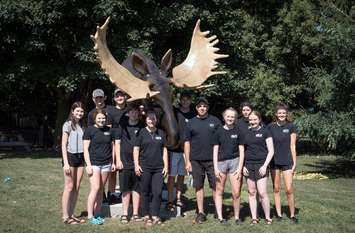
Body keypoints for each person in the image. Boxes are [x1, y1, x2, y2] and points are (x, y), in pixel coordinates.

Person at [184, 97, 221, 224]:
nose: (202, 108)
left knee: (216, 186)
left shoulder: (215, 121)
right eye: (200, 106)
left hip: (212, 160)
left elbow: (221, 140)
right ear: (196, 108)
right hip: (196, 160)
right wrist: (188, 161)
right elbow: (187, 143)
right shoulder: (191, 122)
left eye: (204, 106)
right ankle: (201, 212)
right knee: (198, 186)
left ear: (207, 107)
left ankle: (218, 210)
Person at [133, 110, 168, 226]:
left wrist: (166, 166)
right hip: (145, 167)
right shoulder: (141, 133)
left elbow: (164, 150)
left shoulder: (161, 133)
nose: (151, 121)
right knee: (145, 192)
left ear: (156, 120)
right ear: (146, 120)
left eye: (153, 118)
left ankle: (155, 215)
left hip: (158, 168)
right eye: (149, 118)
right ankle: (146, 215)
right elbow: (136, 149)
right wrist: (136, 165)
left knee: (157, 192)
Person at [240, 111, 274, 225]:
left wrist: (265, 165)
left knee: (263, 192)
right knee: (251, 192)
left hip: (261, 166)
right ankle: (254, 218)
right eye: (250, 120)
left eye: (255, 119)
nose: (252, 121)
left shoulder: (266, 131)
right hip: (249, 165)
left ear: (259, 119)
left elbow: (271, 151)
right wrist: (243, 165)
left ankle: (268, 217)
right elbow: (243, 151)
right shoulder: (246, 133)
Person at [83, 109, 116, 225]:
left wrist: (112, 162)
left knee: (101, 190)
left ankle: (97, 214)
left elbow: (112, 148)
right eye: (99, 118)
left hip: (106, 164)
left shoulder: (109, 130)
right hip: (94, 164)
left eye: (103, 118)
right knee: (96, 188)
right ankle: (90, 216)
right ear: (94, 119)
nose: (101, 120)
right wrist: (88, 165)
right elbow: (85, 149)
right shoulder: (89, 130)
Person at [212, 107, 244, 224]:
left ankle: (237, 217)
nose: (230, 118)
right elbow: (215, 150)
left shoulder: (238, 131)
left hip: (235, 162)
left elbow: (241, 151)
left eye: (232, 116)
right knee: (220, 191)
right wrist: (216, 168)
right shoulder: (218, 131)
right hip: (221, 163)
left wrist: (240, 168)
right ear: (224, 117)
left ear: (235, 118)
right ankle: (221, 217)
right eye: (228, 116)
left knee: (236, 192)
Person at [268, 103, 298, 223]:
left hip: (287, 161)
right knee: (276, 188)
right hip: (274, 162)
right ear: (276, 114)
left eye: (284, 113)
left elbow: (293, 145)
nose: (281, 115)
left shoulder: (291, 126)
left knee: (289, 189)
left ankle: (292, 215)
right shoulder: (270, 127)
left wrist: (294, 162)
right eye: (279, 113)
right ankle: (279, 214)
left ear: (286, 114)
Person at [166, 91, 195, 211]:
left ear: (190, 101)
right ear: (180, 100)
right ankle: (169, 200)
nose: (185, 101)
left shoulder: (194, 114)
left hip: (186, 151)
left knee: (182, 176)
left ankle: (178, 198)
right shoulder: (175, 112)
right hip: (174, 149)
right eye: (183, 99)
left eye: (187, 99)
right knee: (172, 176)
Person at [114, 104, 142, 223]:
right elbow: (117, 143)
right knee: (125, 189)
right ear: (128, 113)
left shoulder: (142, 127)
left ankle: (135, 213)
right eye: (132, 112)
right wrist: (118, 160)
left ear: (138, 114)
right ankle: (125, 214)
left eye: (136, 112)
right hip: (124, 163)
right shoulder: (122, 126)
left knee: (137, 189)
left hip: (138, 164)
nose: (134, 114)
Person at [61, 102, 86, 224]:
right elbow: (63, 144)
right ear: (72, 111)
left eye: (81, 111)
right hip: (70, 157)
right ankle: (65, 216)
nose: (79, 113)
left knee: (76, 187)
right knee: (69, 187)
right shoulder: (67, 124)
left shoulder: (82, 124)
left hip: (81, 157)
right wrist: (65, 163)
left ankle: (72, 214)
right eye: (77, 111)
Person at [107, 88, 129, 204]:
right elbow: (108, 128)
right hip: (114, 143)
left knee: (124, 170)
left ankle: (123, 193)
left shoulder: (129, 110)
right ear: (114, 98)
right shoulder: (110, 111)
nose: (120, 98)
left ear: (125, 97)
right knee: (112, 170)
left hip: (126, 144)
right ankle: (111, 194)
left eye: (122, 95)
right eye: (117, 96)